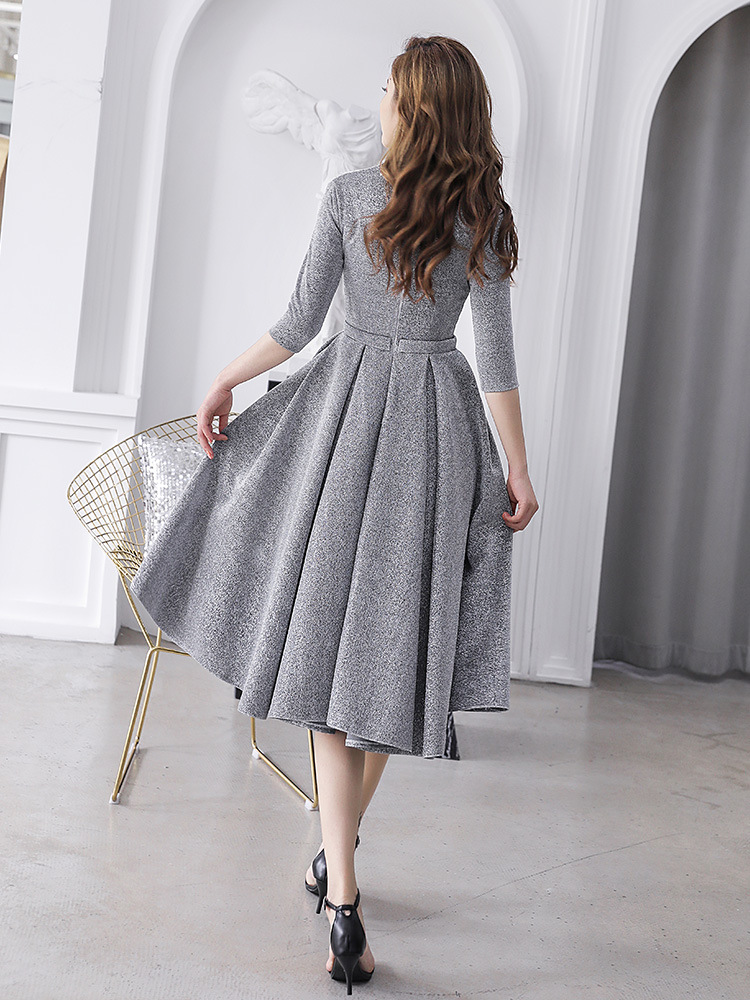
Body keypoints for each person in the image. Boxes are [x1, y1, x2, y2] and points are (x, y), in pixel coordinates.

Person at [131, 34, 538, 993]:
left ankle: (342, 896)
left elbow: (298, 321)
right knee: (392, 660)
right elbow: (496, 358)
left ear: (416, 108)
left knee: (323, 661)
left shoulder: (353, 197)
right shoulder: (484, 213)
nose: (381, 102)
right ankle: (338, 858)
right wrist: (519, 468)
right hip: (437, 435)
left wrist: (225, 379)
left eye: (391, 90)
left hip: (346, 432)